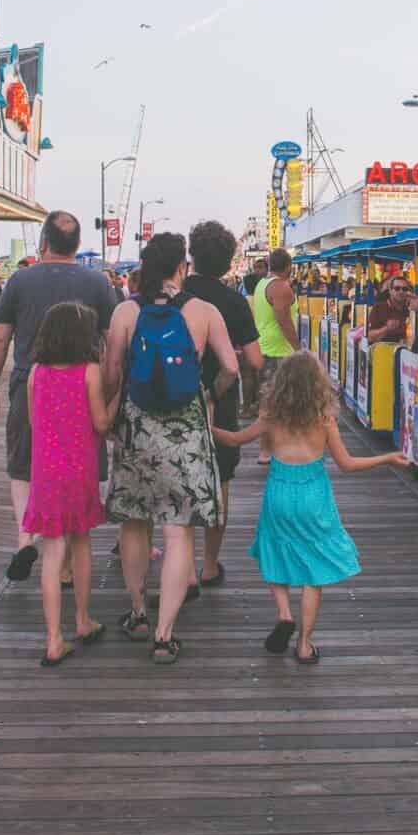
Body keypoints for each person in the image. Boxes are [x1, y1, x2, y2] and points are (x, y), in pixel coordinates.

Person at [102, 232, 239, 665]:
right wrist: (210, 395)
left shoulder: (126, 311)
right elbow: (232, 368)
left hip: (137, 428)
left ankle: (139, 612)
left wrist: (114, 411)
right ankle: (164, 635)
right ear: (183, 267)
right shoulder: (202, 311)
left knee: (135, 521)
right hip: (188, 430)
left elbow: (112, 371)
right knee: (178, 530)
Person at [218, 352, 402, 664]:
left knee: (273, 549)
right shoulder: (324, 419)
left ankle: (284, 613)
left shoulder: (271, 416)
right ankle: (304, 644)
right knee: (314, 570)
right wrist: (387, 457)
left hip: (279, 493)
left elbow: (236, 439)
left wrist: (204, 429)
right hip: (314, 495)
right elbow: (347, 464)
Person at [0, 212, 119, 582]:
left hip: (33, 381)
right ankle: (71, 565)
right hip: (84, 385)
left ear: (43, 242)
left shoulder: (20, 279)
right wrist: (110, 388)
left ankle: (26, 540)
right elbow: (113, 340)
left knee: (24, 463)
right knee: (81, 466)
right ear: (75, 246)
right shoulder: (98, 282)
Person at [21, 301, 112, 666]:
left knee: (52, 551)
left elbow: (32, 422)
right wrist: (118, 398)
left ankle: (53, 638)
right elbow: (102, 423)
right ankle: (83, 620)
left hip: (45, 471)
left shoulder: (36, 373)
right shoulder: (89, 372)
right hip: (79, 470)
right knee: (81, 542)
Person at [183, 221, 263, 588]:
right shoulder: (233, 301)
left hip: (174, 400)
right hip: (221, 401)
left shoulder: (177, 294)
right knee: (220, 480)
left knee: (177, 480)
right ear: (230, 261)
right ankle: (210, 564)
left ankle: (179, 568)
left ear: (192, 255)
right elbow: (257, 360)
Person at [249, 248, 299, 464]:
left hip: (264, 347)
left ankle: (268, 449)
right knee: (279, 402)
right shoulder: (280, 287)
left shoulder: (261, 285)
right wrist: (299, 348)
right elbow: (284, 321)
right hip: (279, 351)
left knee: (268, 401)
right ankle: (270, 449)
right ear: (288, 267)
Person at [365, 274, 410, 344]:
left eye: (404, 289)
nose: (401, 291)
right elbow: (370, 337)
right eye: (397, 288)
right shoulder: (379, 308)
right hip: (385, 350)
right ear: (390, 291)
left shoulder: (412, 309)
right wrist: (386, 329)